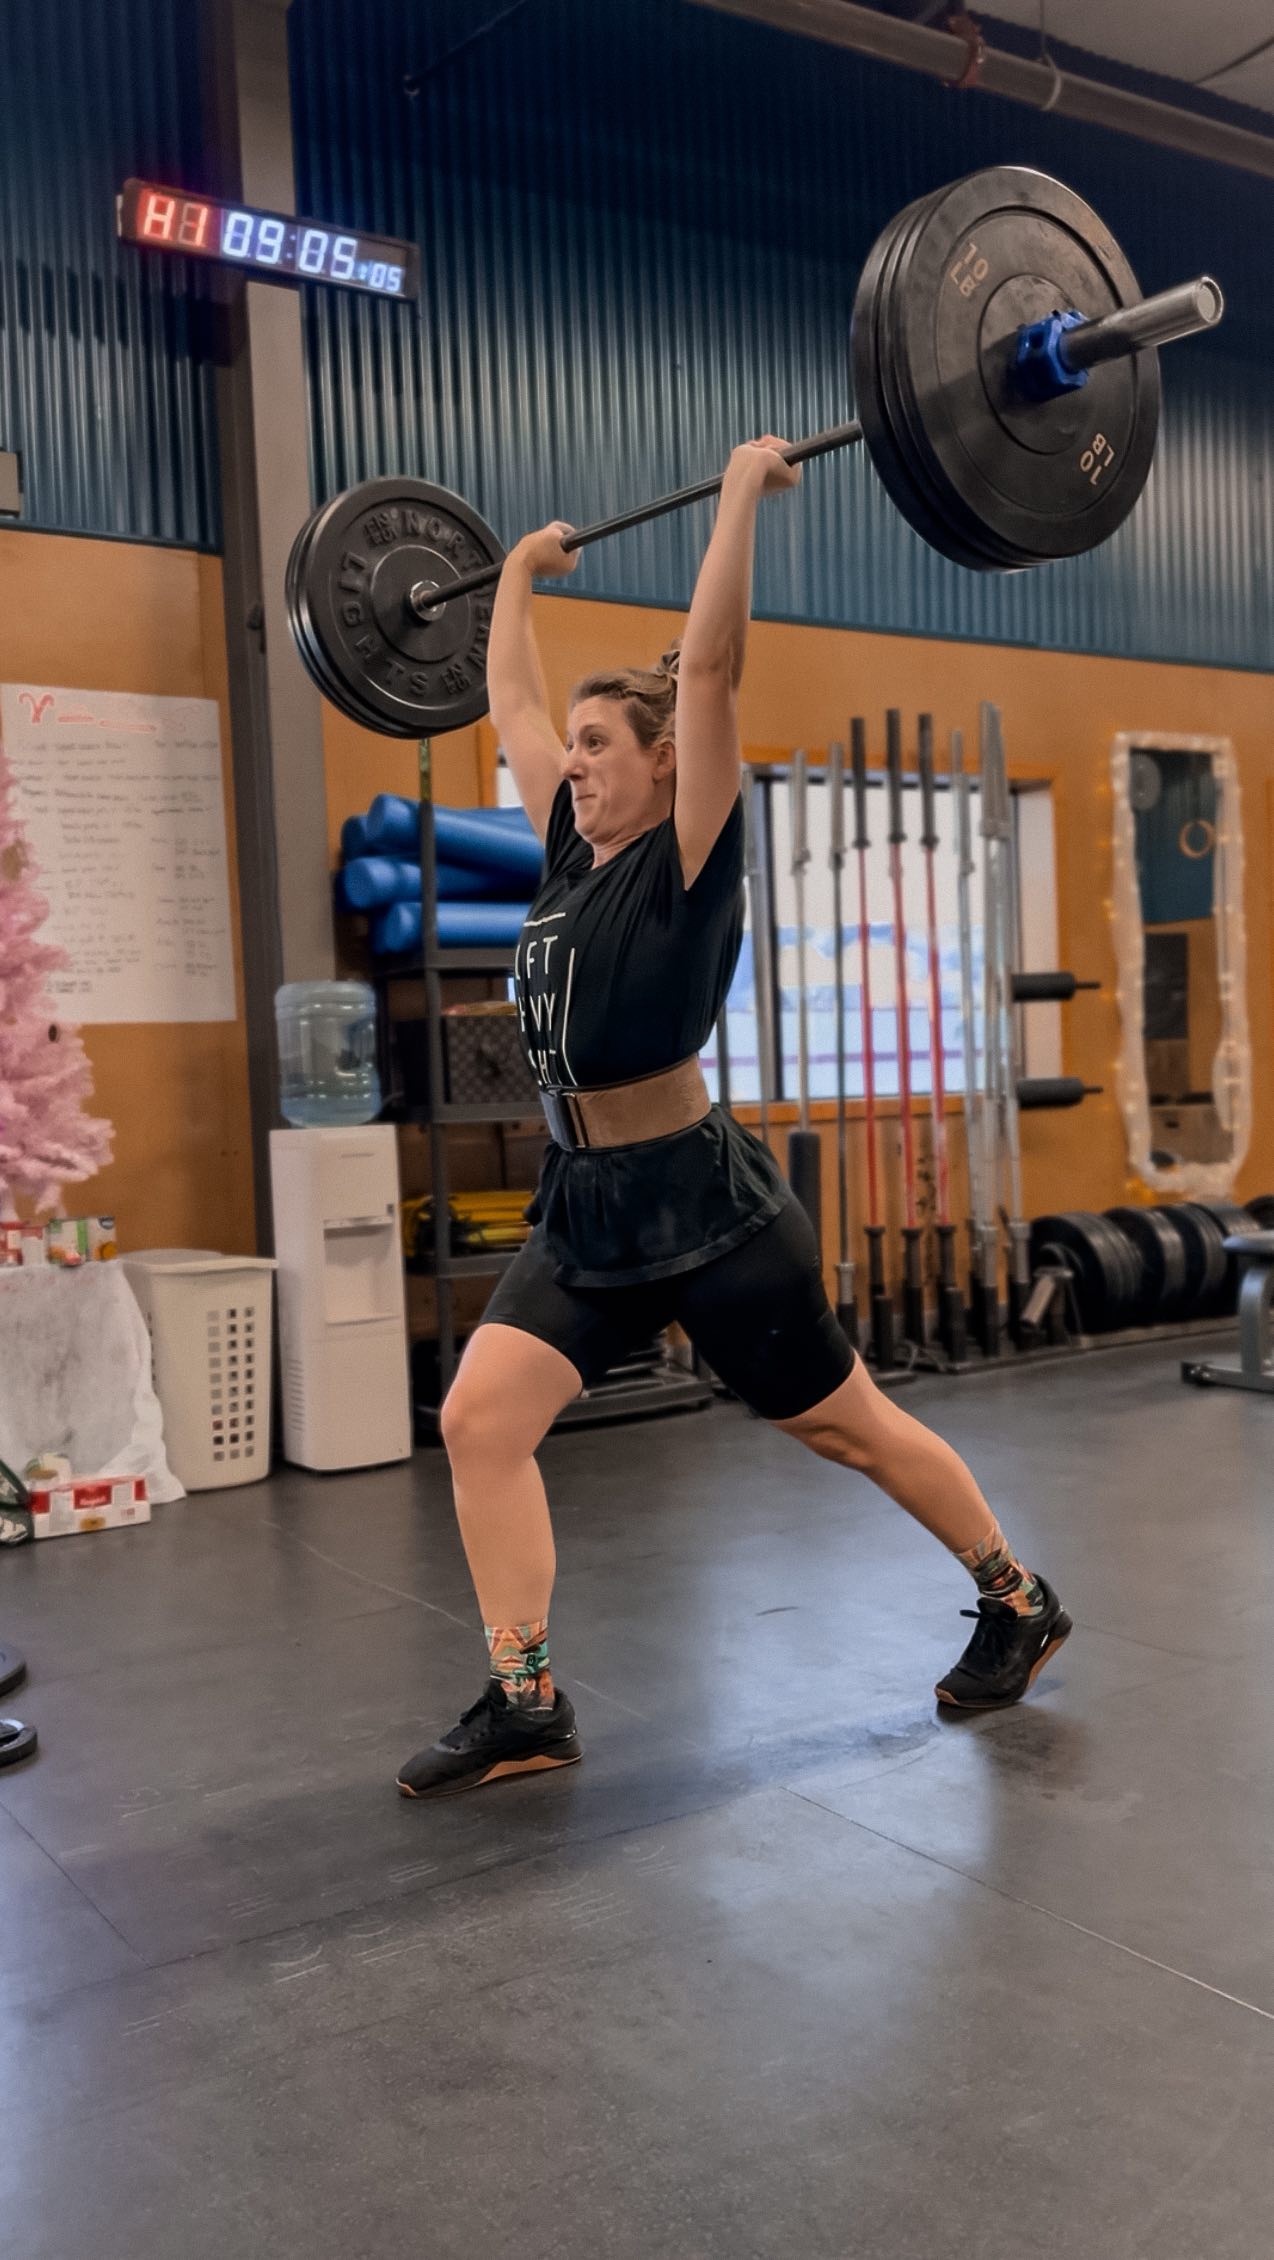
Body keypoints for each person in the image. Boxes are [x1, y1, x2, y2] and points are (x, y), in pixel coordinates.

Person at [397, 437, 1071, 1800]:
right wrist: (513, 582)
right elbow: (510, 709)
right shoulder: (567, 852)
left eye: (601, 748)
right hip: (587, 1205)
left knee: (845, 1427)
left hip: (705, 1208)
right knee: (479, 1422)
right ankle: (526, 1702)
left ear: (657, 766)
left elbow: (707, 672)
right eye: (573, 751)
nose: (572, 764)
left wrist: (735, 501)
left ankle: (1014, 1597)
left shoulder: (690, 860)